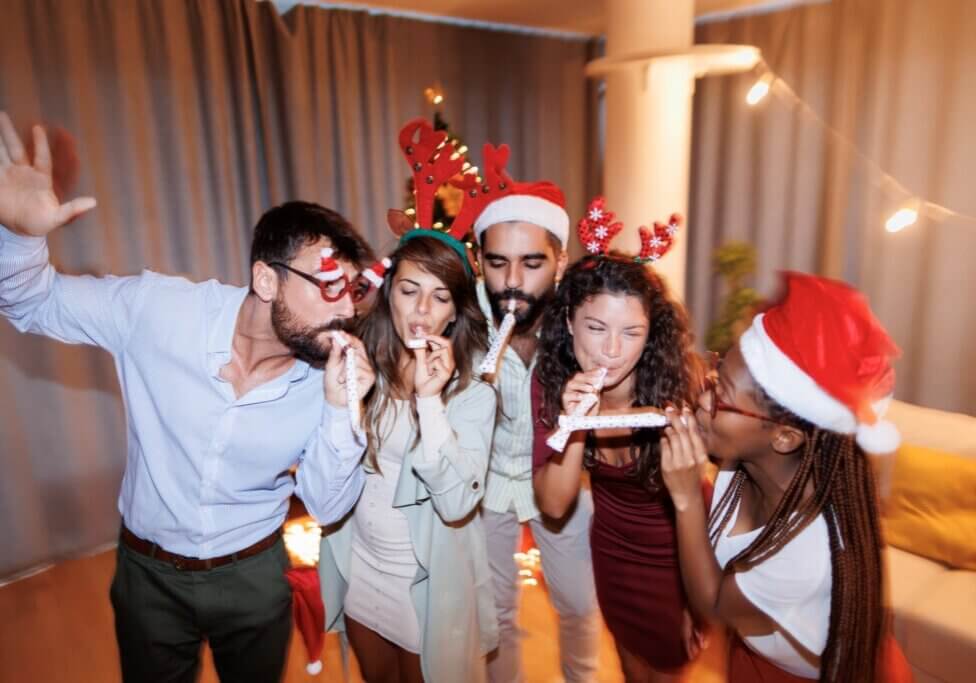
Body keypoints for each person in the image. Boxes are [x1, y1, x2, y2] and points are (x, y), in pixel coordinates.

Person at [0, 112, 376, 682]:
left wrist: (340, 411)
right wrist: (21, 237)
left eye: (353, 290)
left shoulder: (327, 380)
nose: (346, 308)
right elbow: (33, 302)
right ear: (266, 280)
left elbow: (327, 506)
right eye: (328, 285)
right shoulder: (158, 311)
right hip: (148, 576)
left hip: (255, 576)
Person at [659, 271, 912, 682]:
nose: (703, 399)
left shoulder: (808, 551)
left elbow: (715, 605)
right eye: (715, 377)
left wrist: (685, 497)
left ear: (784, 436)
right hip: (751, 649)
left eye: (721, 395)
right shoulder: (741, 460)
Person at [317, 119, 498, 683]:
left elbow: (456, 504)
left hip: (426, 584)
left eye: (440, 297)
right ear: (389, 293)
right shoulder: (357, 366)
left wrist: (430, 403)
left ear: (456, 311)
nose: (422, 310)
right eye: (410, 290)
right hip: (362, 570)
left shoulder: (473, 394)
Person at [532, 198, 705, 682]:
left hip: (675, 560)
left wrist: (699, 595)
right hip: (612, 555)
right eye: (595, 327)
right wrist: (574, 423)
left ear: (650, 334)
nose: (611, 350)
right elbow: (554, 504)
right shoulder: (556, 383)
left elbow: (711, 496)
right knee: (630, 669)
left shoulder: (675, 389)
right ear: (569, 322)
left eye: (631, 332)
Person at [469, 166, 600, 682]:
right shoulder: (459, 319)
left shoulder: (584, 322)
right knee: (495, 617)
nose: (513, 282)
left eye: (532, 263)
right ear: (479, 260)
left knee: (578, 605)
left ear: (561, 260)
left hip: (561, 478)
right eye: (497, 262)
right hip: (485, 484)